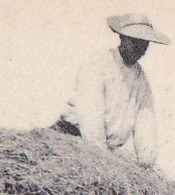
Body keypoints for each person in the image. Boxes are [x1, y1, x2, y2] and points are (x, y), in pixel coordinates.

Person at [55, 13, 167, 167]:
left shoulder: (141, 80)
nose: (140, 49)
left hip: (106, 150)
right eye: (135, 42)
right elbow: (90, 113)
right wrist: (100, 157)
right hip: (74, 138)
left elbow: (146, 121)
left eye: (144, 44)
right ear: (122, 38)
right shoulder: (99, 63)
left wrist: (146, 163)